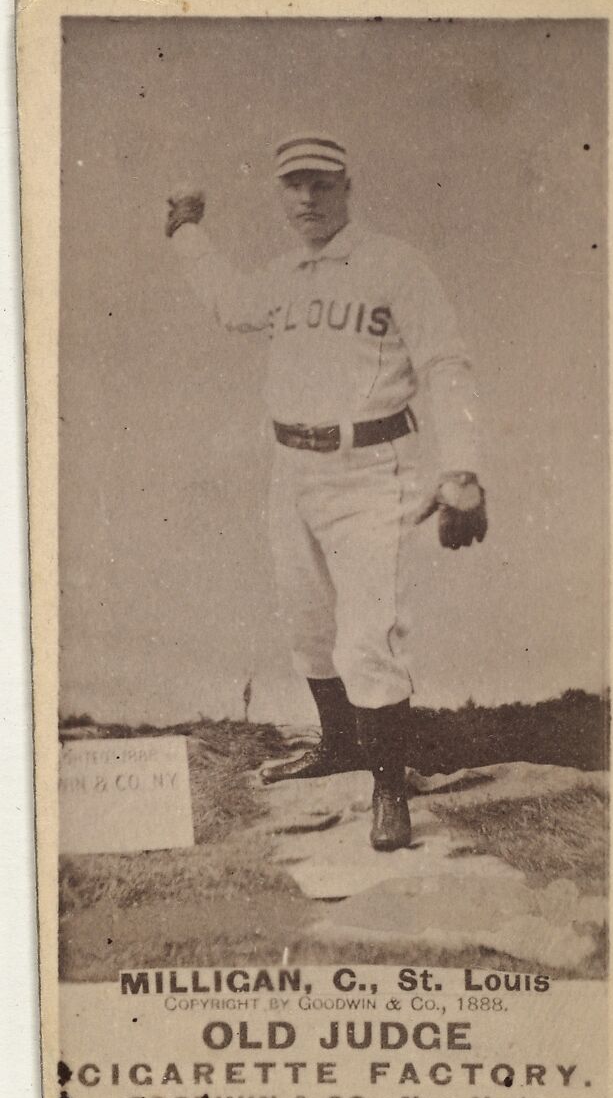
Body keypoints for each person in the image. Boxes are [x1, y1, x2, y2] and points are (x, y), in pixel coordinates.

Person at [166, 133, 487, 852]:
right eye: (293, 186)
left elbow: (446, 361)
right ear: (280, 195)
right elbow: (227, 303)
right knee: (306, 624)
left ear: (347, 187)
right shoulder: (284, 273)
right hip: (294, 470)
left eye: (321, 184)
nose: (307, 199)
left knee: (367, 636)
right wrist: (186, 233)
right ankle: (339, 748)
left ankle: (388, 787)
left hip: (375, 469)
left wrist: (460, 469)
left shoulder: (395, 265)